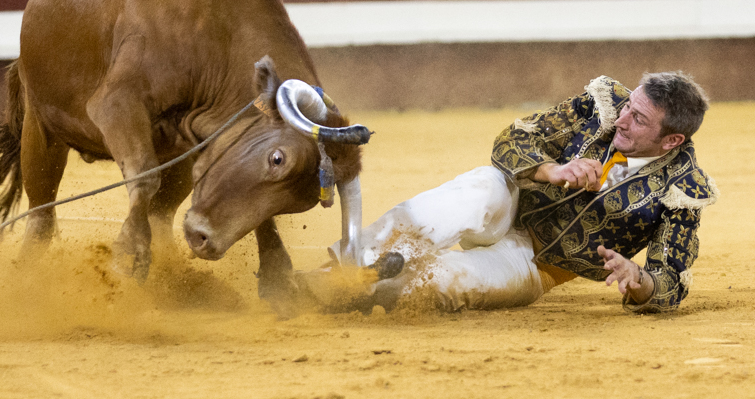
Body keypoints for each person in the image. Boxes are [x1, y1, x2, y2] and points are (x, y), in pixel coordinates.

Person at [303, 72, 716, 315]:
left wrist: (638, 278)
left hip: (536, 265)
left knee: (445, 281)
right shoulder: (601, 108)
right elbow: (513, 139)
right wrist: (551, 170)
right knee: (479, 187)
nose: (622, 119)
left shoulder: (681, 189)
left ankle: (351, 295)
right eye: (629, 106)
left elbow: (670, 284)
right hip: (510, 202)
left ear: (670, 140)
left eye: (639, 118)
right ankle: (338, 269)